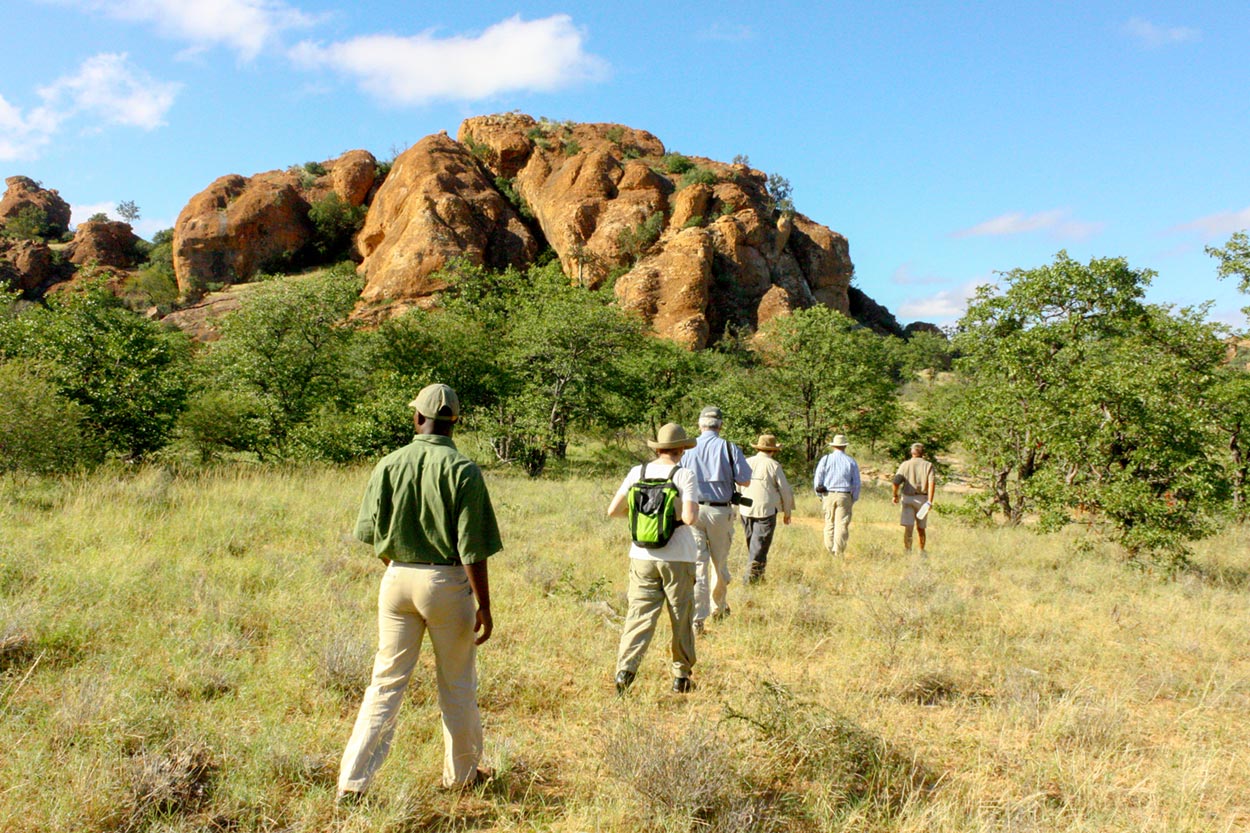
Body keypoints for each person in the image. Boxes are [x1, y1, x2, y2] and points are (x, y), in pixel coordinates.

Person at [337, 384, 502, 804]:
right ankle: (462, 777)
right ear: (455, 423)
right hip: (446, 583)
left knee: (385, 684)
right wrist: (483, 603)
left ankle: (353, 782)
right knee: (458, 683)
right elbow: (473, 549)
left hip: (396, 578)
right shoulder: (463, 470)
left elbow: (372, 535)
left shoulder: (389, 464)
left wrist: (399, 569)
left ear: (417, 418)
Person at [607, 423, 700, 694]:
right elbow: (691, 518)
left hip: (641, 555)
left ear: (657, 447)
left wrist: (642, 518)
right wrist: (672, 518)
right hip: (678, 557)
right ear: (682, 449)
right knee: (681, 616)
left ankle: (625, 672)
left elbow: (614, 510)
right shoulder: (684, 475)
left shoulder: (638, 472)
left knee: (639, 615)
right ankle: (680, 677)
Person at [684, 405, 751, 634]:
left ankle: (696, 621)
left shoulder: (686, 448)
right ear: (720, 425)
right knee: (719, 563)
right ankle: (718, 607)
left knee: (698, 566)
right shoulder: (730, 448)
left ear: (700, 425)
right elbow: (745, 480)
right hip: (720, 513)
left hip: (691, 510)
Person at [739, 434, 795, 582]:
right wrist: (787, 512)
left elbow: (737, 485)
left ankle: (757, 577)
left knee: (752, 544)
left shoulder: (746, 462)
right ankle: (750, 580)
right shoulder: (774, 465)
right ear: (773, 450)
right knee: (760, 546)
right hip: (765, 510)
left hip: (745, 509)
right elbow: (785, 490)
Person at [813, 434, 861, 558]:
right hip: (844, 494)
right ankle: (838, 551)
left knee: (829, 522)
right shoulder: (850, 461)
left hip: (828, 494)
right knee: (842, 524)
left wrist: (819, 494)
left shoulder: (826, 459)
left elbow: (818, 478)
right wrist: (853, 498)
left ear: (834, 446)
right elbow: (856, 482)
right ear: (844, 446)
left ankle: (830, 549)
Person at [892, 442, 937, 553]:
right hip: (922, 499)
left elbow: (896, 481)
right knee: (921, 528)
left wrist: (895, 495)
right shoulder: (928, 465)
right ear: (923, 452)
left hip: (907, 498)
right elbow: (932, 484)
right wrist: (930, 501)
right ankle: (921, 551)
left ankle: (908, 551)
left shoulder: (905, 464)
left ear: (911, 452)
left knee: (908, 528)